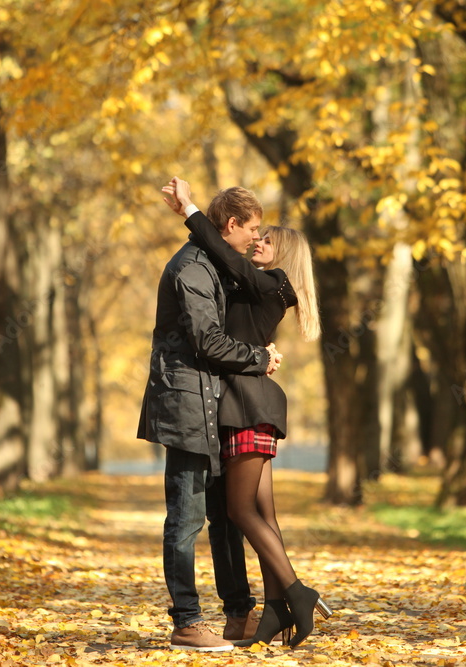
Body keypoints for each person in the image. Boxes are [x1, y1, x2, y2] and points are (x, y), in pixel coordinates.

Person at [163, 177, 333, 648]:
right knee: (263, 513)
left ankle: (296, 592)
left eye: (267, 239)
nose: (258, 242)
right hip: (248, 398)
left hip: (246, 402)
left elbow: (227, 256)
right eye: (255, 234)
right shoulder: (258, 284)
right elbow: (228, 262)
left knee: (238, 510)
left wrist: (191, 211)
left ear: (284, 257)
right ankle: (279, 607)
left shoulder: (275, 284)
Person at [137, 185, 284, 652]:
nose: (254, 238)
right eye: (252, 229)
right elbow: (208, 341)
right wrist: (258, 358)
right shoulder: (191, 270)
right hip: (184, 404)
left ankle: (239, 614)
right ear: (232, 226)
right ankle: (186, 620)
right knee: (186, 516)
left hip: (212, 403)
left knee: (223, 517)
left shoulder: (213, 265)